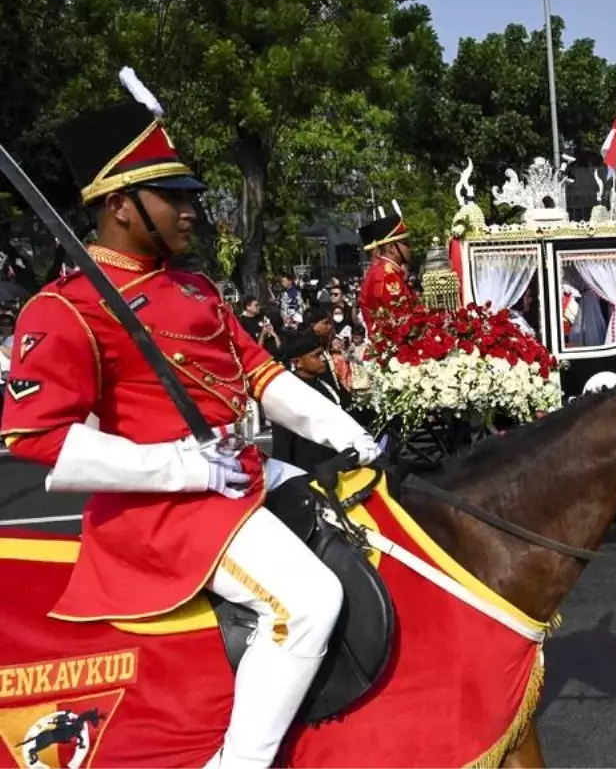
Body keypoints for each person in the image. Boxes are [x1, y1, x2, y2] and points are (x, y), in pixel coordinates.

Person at [0, 80, 381, 769]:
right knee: (310, 601)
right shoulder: (65, 308)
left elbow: (263, 376)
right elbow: (36, 438)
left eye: (188, 195)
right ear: (118, 204)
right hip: (163, 511)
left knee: (369, 520)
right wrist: (182, 466)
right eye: (172, 197)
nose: (191, 210)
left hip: (236, 480)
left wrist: (346, 434)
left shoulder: (195, 286)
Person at [271, 329, 356, 473]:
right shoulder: (287, 392)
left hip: (337, 466)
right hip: (309, 473)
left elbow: (348, 408)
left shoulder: (325, 383)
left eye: (322, 354)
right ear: (297, 362)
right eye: (316, 356)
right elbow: (283, 445)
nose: (323, 359)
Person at [358, 205, 413, 336]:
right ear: (391, 248)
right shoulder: (388, 275)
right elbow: (401, 320)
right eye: (405, 243)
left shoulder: (388, 271)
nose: (410, 248)